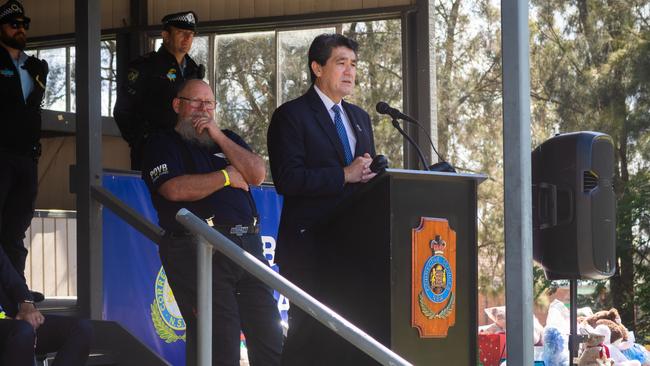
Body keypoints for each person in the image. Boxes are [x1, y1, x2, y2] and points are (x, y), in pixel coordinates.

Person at [142, 80, 283, 366]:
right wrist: (228, 176)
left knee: (270, 335)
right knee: (219, 342)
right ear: (177, 105)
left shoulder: (227, 138)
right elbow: (173, 190)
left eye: (209, 104)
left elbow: (256, 174)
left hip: (248, 247)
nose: (203, 110)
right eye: (195, 102)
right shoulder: (162, 143)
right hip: (201, 248)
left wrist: (218, 135)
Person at [266, 33, 377, 365]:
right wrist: (344, 174)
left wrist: (374, 174)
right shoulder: (291, 116)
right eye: (340, 63)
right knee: (308, 336)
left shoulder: (360, 117)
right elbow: (289, 179)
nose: (350, 72)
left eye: (353, 64)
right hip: (309, 248)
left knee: (350, 338)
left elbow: (360, 173)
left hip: (353, 249)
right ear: (316, 67)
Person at [113, 10, 205, 170]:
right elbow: (123, 111)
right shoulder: (146, 67)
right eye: (181, 32)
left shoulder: (194, 71)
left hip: (186, 150)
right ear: (166, 35)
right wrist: (143, 141)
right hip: (153, 152)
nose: (187, 38)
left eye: (190, 34)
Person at [0, 0, 48, 302]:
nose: (20, 29)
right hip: (1, 156)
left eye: (24, 24)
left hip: (26, 158)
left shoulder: (36, 66)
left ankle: (19, 295)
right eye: (13, 24)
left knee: (16, 231)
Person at [0, 245, 92, 365]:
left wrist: (27, 304)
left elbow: (11, 276)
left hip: (12, 319)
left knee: (81, 328)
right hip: (12, 326)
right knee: (23, 331)